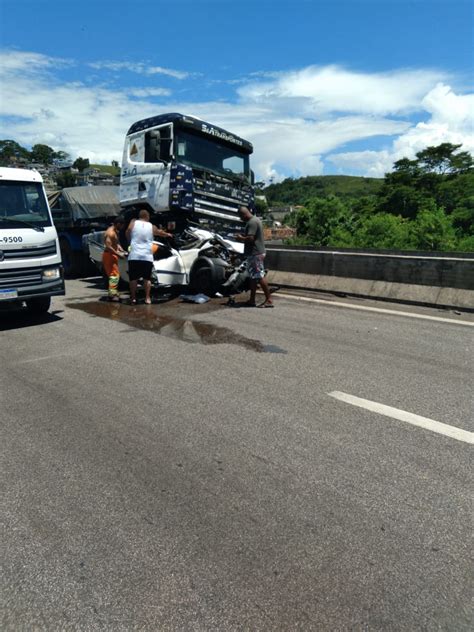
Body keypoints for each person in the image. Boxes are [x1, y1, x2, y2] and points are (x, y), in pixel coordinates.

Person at [126, 209, 172, 305]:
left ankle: (133, 298)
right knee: (147, 278)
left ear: (140, 216)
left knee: (133, 278)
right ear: (147, 217)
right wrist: (168, 234)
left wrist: (130, 242)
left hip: (134, 255)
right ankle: (147, 298)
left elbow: (128, 231)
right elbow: (159, 232)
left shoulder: (133, 223)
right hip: (147, 256)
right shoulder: (151, 226)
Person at [235, 205, 273, 308]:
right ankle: (252, 300)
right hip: (255, 253)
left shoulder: (252, 222)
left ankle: (269, 300)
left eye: (241, 217)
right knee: (253, 277)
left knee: (259, 276)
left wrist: (240, 238)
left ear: (244, 214)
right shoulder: (256, 220)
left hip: (255, 253)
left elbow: (251, 239)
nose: (241, 219)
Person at [102, 216, 126, 302]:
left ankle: (112, 293)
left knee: (113, 275)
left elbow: (115, 242)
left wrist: (120, 248)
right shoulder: (110, 233)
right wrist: (118, 254)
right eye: (122, 226)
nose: (122, 228)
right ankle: (112, 295)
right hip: (109, 255)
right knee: (114, 275)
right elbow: (108, 246)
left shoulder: (115, 231)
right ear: (118, 224)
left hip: (112, 255)